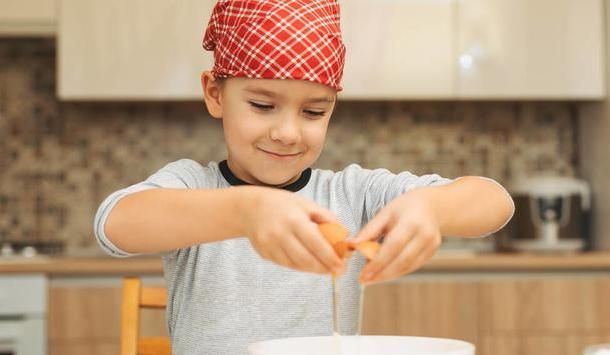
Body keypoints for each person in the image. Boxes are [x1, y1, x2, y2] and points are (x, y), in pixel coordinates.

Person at [93, 0, 514, 354]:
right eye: (262, 105)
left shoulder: (352, 194)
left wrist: (430, 208)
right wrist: (247, 210)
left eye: (314, 112)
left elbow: (494, 201)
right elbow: (115, 223)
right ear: (215, 94)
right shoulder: (193, 187)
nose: (288, 132)